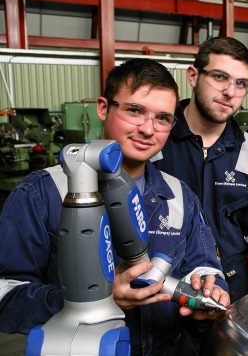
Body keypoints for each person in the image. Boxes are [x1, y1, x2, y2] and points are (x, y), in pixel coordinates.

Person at [0, 58, 229, 355]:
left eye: (163, 118)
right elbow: (6, 297)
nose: (149, 129)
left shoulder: (179, 194)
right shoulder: (42, 193)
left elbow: (203, 262)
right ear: (103, 108)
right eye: (135, 111)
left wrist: (210, 287)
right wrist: (93, 301)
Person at [153, 37, 248, 302]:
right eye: (220, 77)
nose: (230, 92)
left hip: (230, 296)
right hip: (163, 294)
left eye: (241, 83)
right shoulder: (154, 139)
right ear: (193, 76)